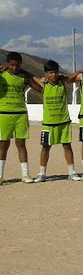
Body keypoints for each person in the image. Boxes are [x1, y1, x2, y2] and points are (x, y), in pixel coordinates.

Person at [34, 60, 81, 182]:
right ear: (46, 73)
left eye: (55, 72)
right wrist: (41, 78)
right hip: (49, 122)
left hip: (63, 121)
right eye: (50, 73)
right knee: (45, 147)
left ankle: (72, 172)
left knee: (67, 146)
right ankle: (42, 173)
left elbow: (73, 77)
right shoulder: (43, 84)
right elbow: (29, 77)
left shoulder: (62, 82)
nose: (53, 75)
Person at [0, 52, 43, 184]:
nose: (14, 68)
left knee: (21, 144)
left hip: (21, 113)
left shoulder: (24, 76)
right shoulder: (2, 75)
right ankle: (0, 176)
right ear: (7, 64)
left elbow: (39, 89)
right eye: (12, 65)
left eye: (17, 65)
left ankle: (25, 175)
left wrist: (27, 74)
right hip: (4, 113)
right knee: (3, 145)